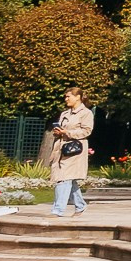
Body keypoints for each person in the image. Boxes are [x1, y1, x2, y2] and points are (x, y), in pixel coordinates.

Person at [46, 88, 93, 217]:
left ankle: (58, 210)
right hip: (62, 149)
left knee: (63, 178)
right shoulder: (65, 113)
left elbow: (86, 131)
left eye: (68, 96)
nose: (66, 99)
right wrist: (58, 132)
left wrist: (67, 132)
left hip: (75, 150)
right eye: (65, 97)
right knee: (68, 179)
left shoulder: (86, 113)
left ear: (78, 97)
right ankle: (80, 205)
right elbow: (62, 129)